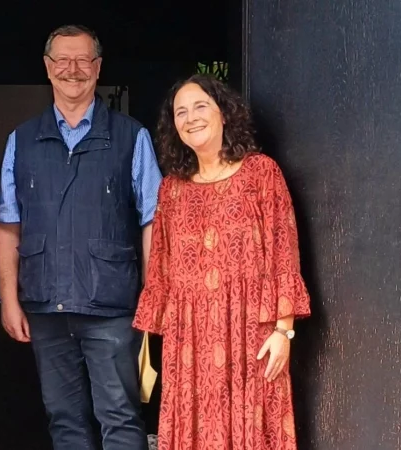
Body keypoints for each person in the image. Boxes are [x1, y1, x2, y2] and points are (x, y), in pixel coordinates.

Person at [0, 24, 162, 450]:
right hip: (45, 306)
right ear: (48, 69)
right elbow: (8, 225)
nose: (73, 69)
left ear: (98, 68)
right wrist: (9, 300)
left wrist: (153, 293)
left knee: (120, 417)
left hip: (112, 305)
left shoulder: (131, 136)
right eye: (62, 60)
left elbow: (153, 222)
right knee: (64, 419)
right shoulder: (22, 139)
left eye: (83, 59)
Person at [133, 73, 312, 450]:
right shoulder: (172, 189)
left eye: (200, 106)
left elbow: (283, 252)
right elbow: (161, 268)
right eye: (180, 112)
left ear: (224, 114)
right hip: (190, 342)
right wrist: (155, 340)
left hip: (252, 333)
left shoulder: (261, 173)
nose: (190, 117)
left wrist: (284, 331)